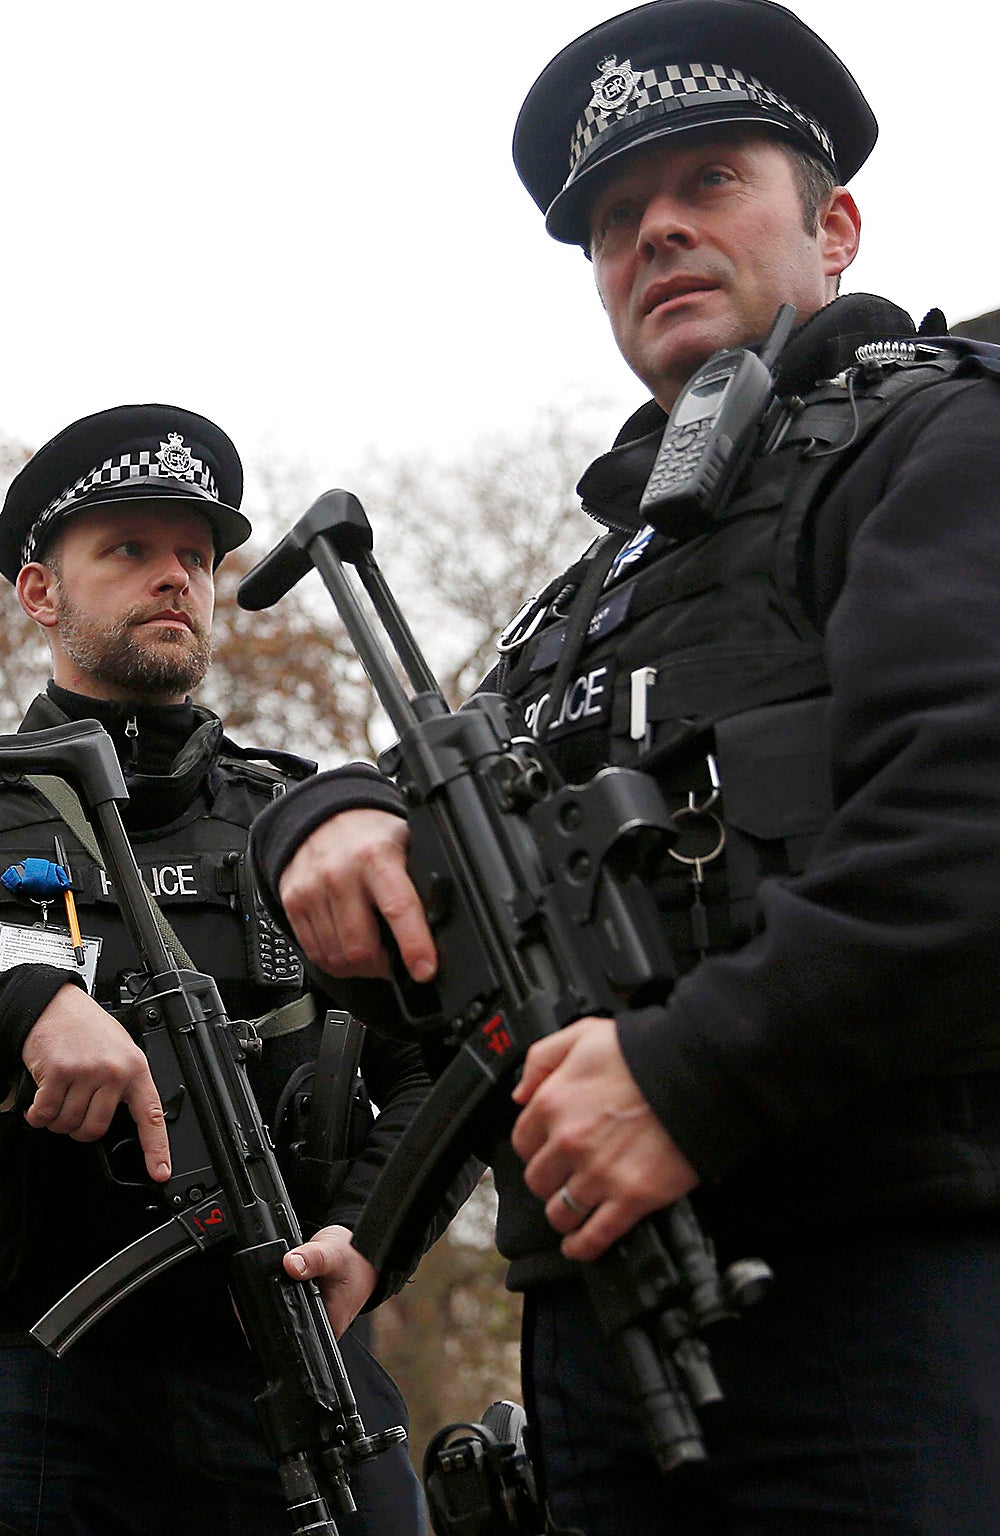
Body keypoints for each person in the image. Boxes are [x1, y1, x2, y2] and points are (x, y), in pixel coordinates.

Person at [249, 2, 1000, 1530]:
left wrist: (689, 1073)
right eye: (614, 222)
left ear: (834, 224)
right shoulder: (584, 595)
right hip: (589, 1354)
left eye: (708, 183)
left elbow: (970, 826)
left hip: (879, 1315)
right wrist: (321, 817)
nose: (654, 232)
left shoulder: (937, 446)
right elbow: (456, 906)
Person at [0, 404, 461, 1536]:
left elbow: (437, 1063)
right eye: (129, 551)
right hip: (17, 1391)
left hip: (288, 1366)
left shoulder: (298, 825)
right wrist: (13, 1010)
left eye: (194, 555)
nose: (174, 579)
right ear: (41, 593)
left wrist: (367, 1237)